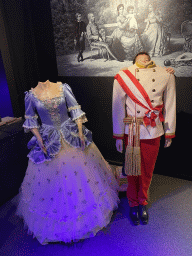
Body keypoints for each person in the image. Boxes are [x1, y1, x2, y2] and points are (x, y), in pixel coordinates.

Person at [16, 79, 119, 244]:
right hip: (49, 138)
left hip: (70, 133)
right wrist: (39, 139)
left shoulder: (63, 88)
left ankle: (85, 216)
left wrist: (79, 131)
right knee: (53, 183)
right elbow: (31, 121)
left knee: (83, 176)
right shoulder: (31, 95)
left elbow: (76, 110)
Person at [112, 52, 176, 225]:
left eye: (146, 56)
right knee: (132, 170)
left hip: (152, 130)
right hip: (132, 129)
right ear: (134, 61)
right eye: (139, 57)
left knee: (147, 170)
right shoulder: (124, 75)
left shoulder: (165, 74)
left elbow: (170, 104)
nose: (143, 58)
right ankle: (133, 202)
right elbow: (117, 107)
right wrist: (118, 135)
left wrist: (169, 131)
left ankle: (143, 201)